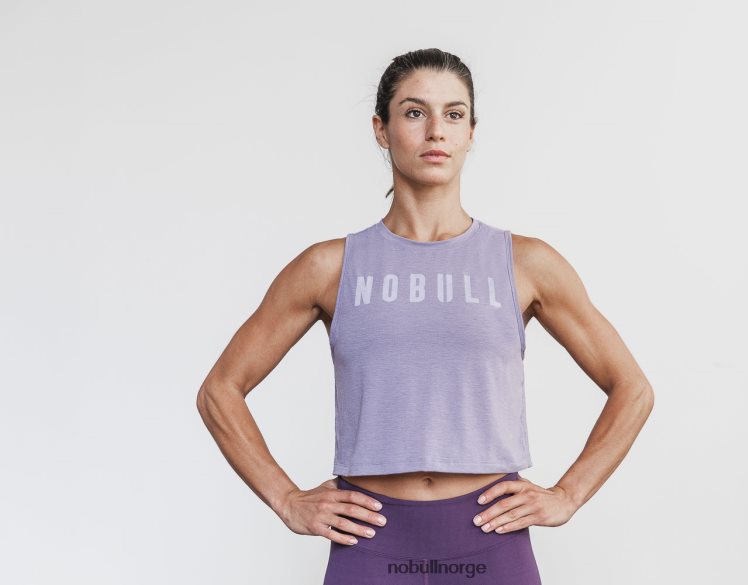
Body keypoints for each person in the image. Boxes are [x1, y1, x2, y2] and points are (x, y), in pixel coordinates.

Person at [196, 48, 655, 585]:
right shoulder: (329, 267)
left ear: (471, 132)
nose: (436, 130)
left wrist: (569, 494)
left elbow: (632, 389)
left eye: (453, 115)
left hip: (490, 538)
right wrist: (285, 498)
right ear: (381, 130)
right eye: (415, 112)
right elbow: (220, 390)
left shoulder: (525, 263)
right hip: (371, 541)